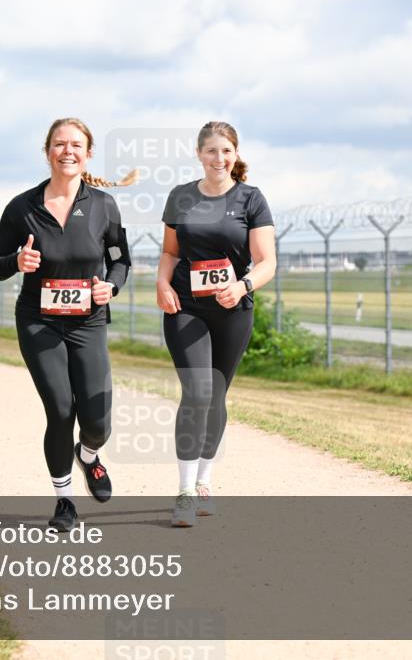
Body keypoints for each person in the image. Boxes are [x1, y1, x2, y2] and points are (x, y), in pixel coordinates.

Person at [0, 117, 134, 532]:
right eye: (59, 144)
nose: (68, 151)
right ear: (47, 151)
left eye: (76, 145)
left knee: (97, 421)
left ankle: (89, 455)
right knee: (61, 409)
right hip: (39, 322)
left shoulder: (103, 205)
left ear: (88, 154)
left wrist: (111, 286)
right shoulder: (22, 207)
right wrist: (16, 261)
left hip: (88, 323)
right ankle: (64, 500)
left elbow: (120, 260)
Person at [156, 121, 276, 527]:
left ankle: (204, 480)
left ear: (235, 154)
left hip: (232, 309)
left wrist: (242, 286)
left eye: (226, 151)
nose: (219, 158)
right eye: (211, 150)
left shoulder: (251, 199)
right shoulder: (181, 197)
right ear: (198, 153)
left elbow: (267, 262)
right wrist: (161, 283)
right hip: (185, 306)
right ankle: (185, 492)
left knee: (217, 395)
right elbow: (170, 252)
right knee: (197, 391)